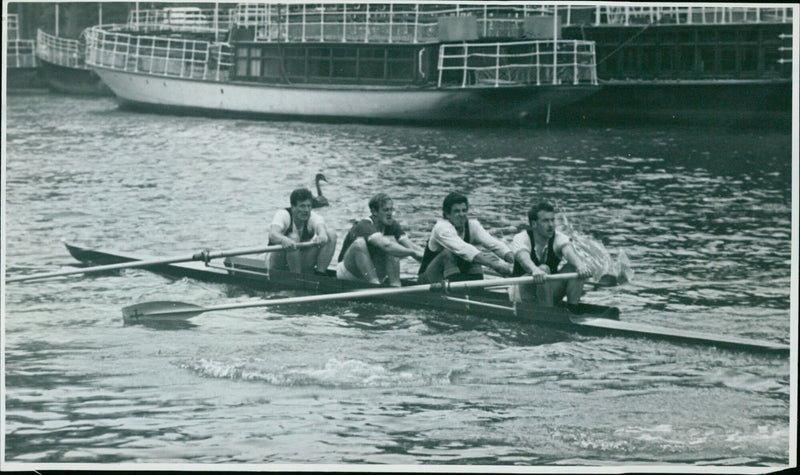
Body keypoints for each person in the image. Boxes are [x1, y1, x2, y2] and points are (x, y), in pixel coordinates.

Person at [418, 192, 514, 283]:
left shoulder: (473, 225)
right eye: (457, 211)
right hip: (429, 279)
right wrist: (495, 265)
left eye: (464, 210)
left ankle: (477, 292)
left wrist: (516, 262)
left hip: (453, 275)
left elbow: (494, 244)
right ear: (447, 214)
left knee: (476, 257)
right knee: (452, 253)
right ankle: (456, 295)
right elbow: (463, 249)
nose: (462, 215)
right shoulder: (441, 228)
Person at [509, 201, 593, 306]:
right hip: (520, 294)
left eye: (552, 220)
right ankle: (549, 312)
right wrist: (534, 269)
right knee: (543, 269)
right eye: (545, 221)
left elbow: (568, 251)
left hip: (546, 292)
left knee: (573, 267)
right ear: (534, 224)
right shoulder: (521, 238)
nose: (551, 225)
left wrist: (581, 266)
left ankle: (573, 310)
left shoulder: (559, 238)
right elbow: (523, 258)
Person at [336, 193, 424, 286]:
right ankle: (374, 284)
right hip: (348, 273)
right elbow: (386, 246)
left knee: (393, 245)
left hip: (371, 271)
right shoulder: (364, 225)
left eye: (391, 209)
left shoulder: (392, 224)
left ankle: (395, 285)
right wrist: (411, 253)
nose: (390, 213)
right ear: (374, 212)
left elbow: (411, 246)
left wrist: (432, 260)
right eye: (386, 210)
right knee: (360, 243)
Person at [268, 188, 337, 275]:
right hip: (278, 263)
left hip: (298, 262)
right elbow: (273, 234)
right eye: (302, 206)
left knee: (331, 234)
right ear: (293, 207)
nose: (306, 210)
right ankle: (297, 279)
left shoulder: (313, 217)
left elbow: (321, 227)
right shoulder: (283, 214)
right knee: (293, 237)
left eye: (309, 206)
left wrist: (322, 235)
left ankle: (320, 275)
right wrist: (284, 240)